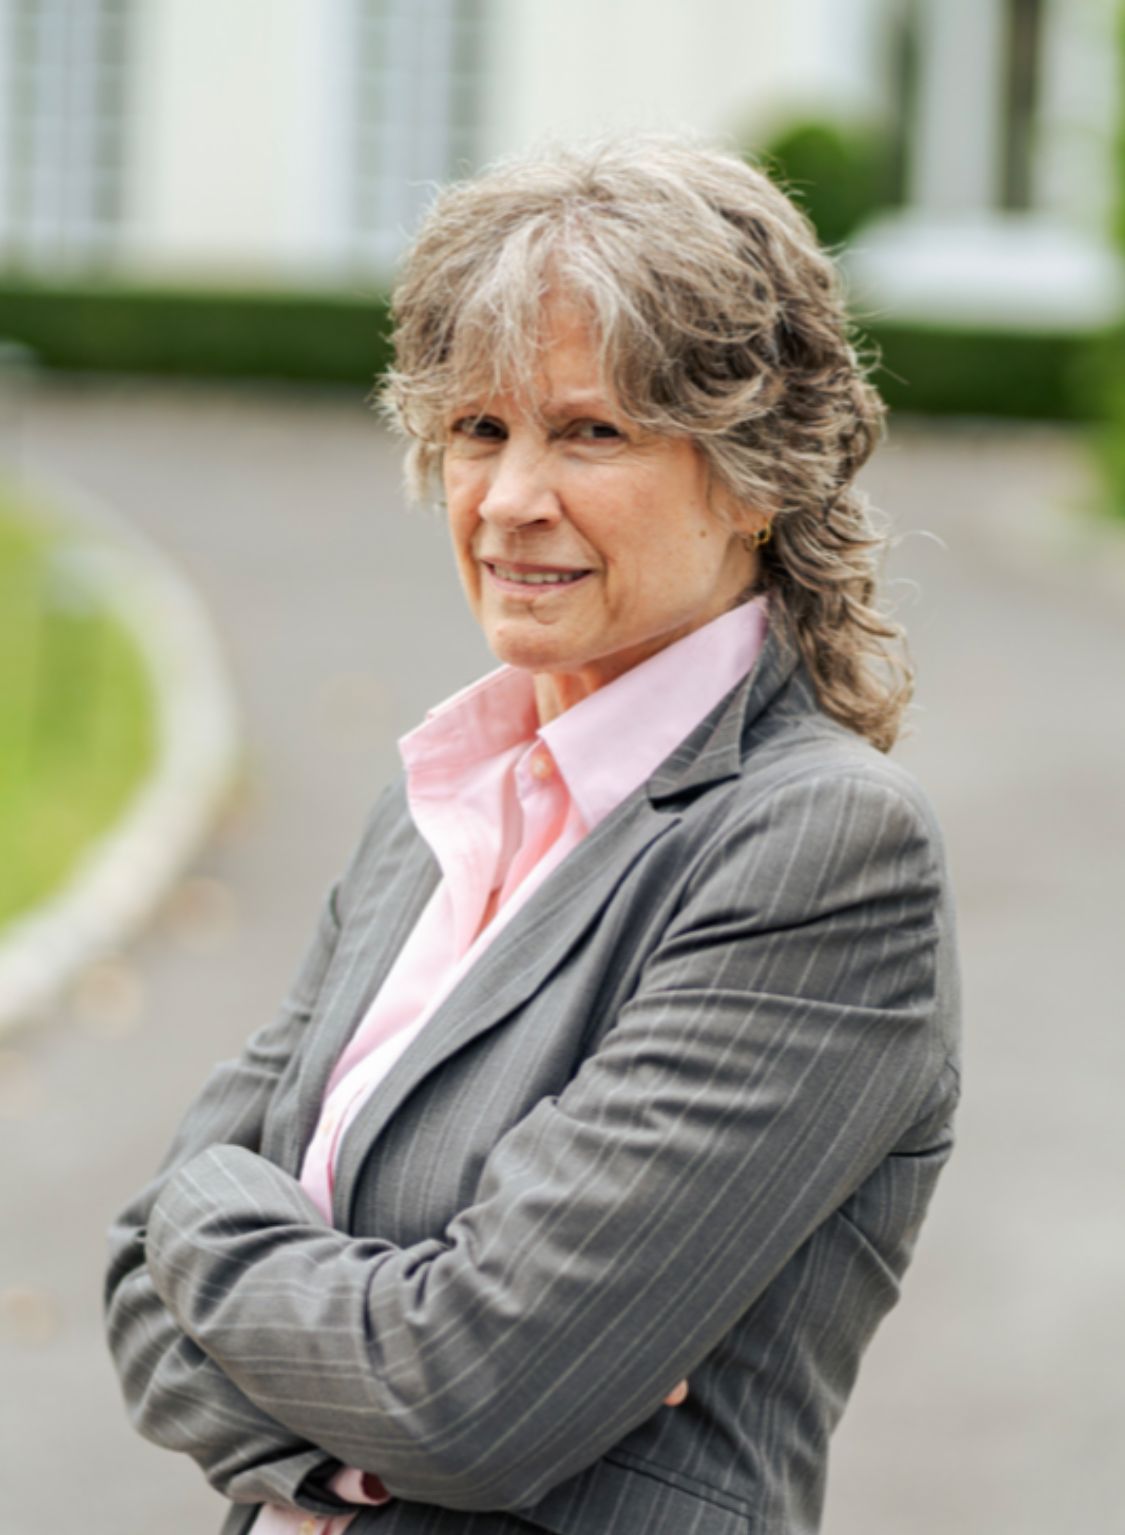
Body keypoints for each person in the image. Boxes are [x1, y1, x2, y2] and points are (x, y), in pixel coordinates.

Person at [105, 137, 960, 1535]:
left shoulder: (816, 854)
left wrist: (198, 1211)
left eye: (590, 432)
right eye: (477, 430)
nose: (509, 499)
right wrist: (338, 1414)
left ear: (754, 473)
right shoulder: (443, 800)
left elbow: (468, 1397)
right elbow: (135, 1298)